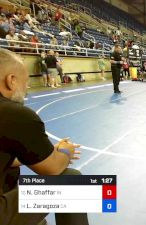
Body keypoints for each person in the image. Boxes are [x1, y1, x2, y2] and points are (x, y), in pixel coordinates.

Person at [0, 48, 89, 225]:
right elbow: (53, 168)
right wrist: (65, 151)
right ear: (11, 81)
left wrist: (40, 153)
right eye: (26, 83)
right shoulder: (15, 114)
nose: (27, 89)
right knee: (73, 180)